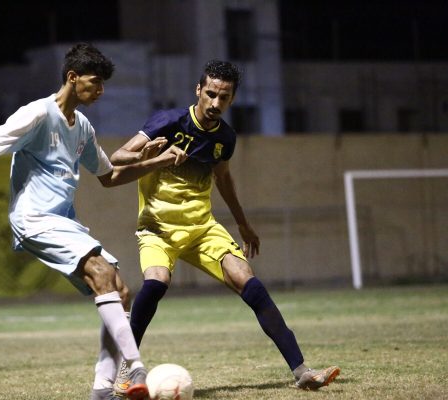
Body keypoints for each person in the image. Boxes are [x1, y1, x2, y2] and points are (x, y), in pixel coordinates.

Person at [0, 43, 186, 400]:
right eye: (95, 82)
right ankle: (135, 366)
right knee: (103, 273)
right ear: (73, 77)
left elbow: (109, 176)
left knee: (120, 291)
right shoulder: (37, 114)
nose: (101, 90)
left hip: (63, 221)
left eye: (103, 84)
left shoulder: (83, 127)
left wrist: (158, 162)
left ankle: (102, 389)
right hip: (34, 218)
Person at [110, 60, 340, 392]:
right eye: (211, 94)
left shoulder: (225, 138)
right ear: (198, 90)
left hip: (202, 228)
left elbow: (223, 179)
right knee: (156, 283)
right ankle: (126, 368)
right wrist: (149, 155)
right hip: (157, 228)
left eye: (224, 97)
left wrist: (243, 224)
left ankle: (302, 371)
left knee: (250, 282)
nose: (216, 103)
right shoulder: (168, 121)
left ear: (232, 99)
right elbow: (117, 157)